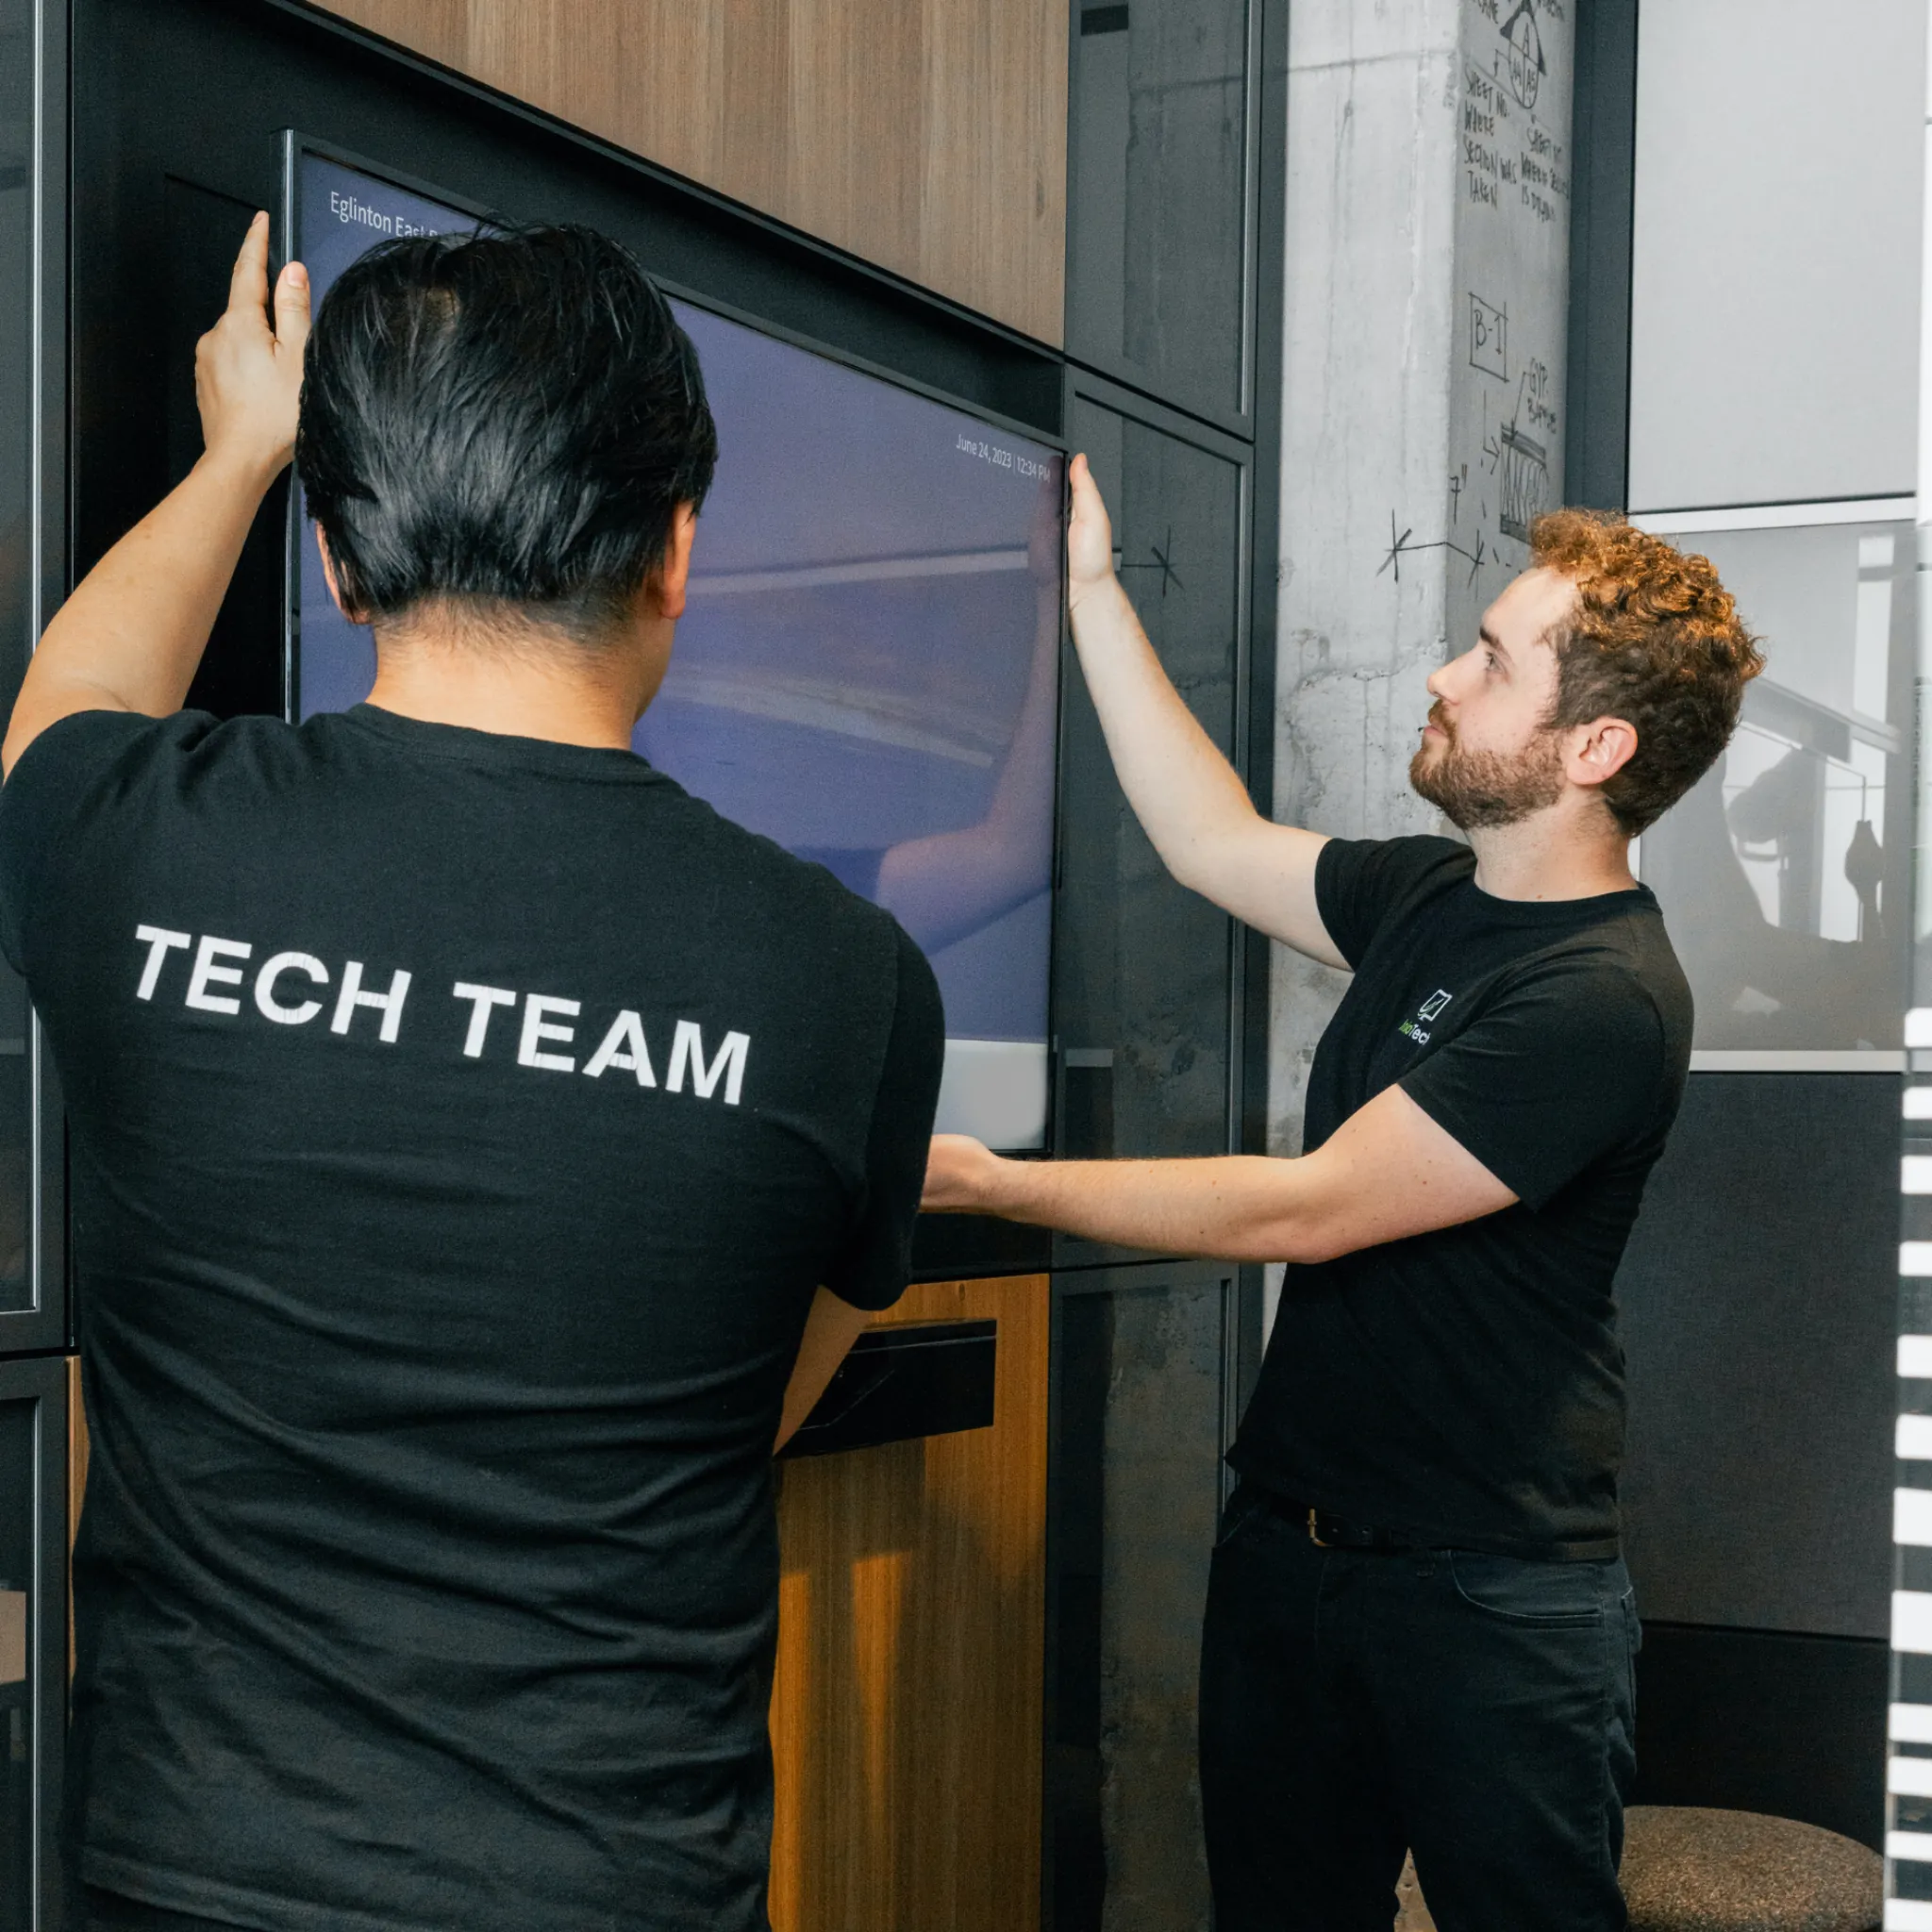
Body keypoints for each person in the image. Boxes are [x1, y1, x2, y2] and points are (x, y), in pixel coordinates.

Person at [2, 215, 942, 1932]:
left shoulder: (137, 848)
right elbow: (756, 1402)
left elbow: (64, 702)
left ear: (341, 569)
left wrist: (244, 452)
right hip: (614, 1873)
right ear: (674, 551)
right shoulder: (847, 979)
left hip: (190, 1866)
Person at [924, 455, 1764, 1930]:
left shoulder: (1603, 997)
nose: (1445, 672)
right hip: (1290, 1551)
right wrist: (1094, 594)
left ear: (1592, 747)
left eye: (1493, 662)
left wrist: (997, 1185)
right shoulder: (1435, 898)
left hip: (1492, 1598)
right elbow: (1214, 843)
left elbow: (1307, 1208)